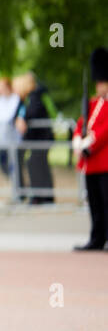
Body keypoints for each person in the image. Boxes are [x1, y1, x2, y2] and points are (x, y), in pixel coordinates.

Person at [73, 48, 108, 251]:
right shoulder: (93, 103)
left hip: (104, 161)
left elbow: (104, 131)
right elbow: (81, 123)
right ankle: (97, 238)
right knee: (95, 203)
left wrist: (89, 141)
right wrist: (78, 138)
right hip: (91, 163)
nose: (98, 86)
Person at [14, 71, 55, 204]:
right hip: (38, 138)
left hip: (42, 138)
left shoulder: (35, 96)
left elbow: (32, 111)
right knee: (38, 164)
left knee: (35, 163)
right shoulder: (27, 98)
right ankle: (45, 196)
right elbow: (18, 113)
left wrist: (23, 118)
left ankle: (40, 196)